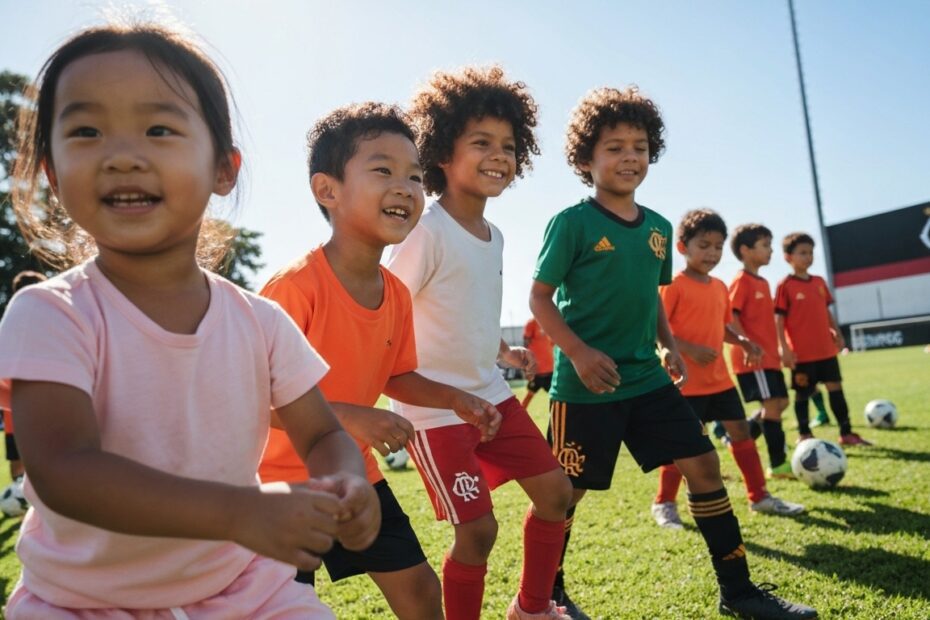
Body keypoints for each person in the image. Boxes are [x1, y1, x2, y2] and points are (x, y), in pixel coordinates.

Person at [0, 23, 380, 618]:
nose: (122, 156)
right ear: (51, 171)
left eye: (158, 129)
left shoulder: (261, 322)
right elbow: (62, 470)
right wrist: (238, 512)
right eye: (86, 131)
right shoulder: (51, 314)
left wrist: (348, 483)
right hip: (78, 601)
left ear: (223, 169)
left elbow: (323, 433)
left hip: (243, 592)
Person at [530, 85, 817, 619]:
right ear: (586, 158)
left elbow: (651, 298)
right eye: (614, 147)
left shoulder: (660, 229)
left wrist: (667, 344)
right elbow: (540, 298)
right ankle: (547, 595)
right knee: (564, 497)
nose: (629, 156)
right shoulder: (571, 223)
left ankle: (739, 593)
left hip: (646, 377)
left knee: (704, 466)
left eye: (639, 145)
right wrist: (578, 351)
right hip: (585, 386)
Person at [259, 102, 502, 620]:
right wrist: (350, 418)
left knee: (418, 591)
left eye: (414, 176)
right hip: (275, 484)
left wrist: (456, 399)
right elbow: (256, 400)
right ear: (328, 190)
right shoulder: (292, 289)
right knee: (273, 609)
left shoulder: (395, 292)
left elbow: (397, 374)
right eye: (383, 170)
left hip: (356, 473)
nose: (405, 187)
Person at [387, 66, 573, 620]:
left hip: (491, 394)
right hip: (433, 411)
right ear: (442, 151)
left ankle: (531, 609)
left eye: (509, 146)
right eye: (482, 143)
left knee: (556, 495)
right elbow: (390, 316)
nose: (500, 155)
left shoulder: (495, 236)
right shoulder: (424, 231)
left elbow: (463, 311)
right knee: (478, 531)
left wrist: (501, 352)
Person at [650, 210, 804, 530]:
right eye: (704, 245)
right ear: (682, 248)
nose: (712, 253)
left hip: (720, 381)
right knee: (683, 447)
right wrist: (688, 350)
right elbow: (654, 328)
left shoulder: (720, 286)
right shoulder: (672, 285)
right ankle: (664, 504)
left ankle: (759, 496)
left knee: (742, 432)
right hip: (685, 384)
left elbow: (722, 328)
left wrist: (744, 342)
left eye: (718, 247)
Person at [775, 233, 871, 446]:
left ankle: (846, 433)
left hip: (826, 350)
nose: (808, 257)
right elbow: (779, 320)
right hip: (802, 353)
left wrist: (836, 331)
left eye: (810, 252)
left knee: (836, 388)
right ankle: (804, 433)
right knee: (803, 394)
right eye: (802, 253)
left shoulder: (819, 282)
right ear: (788, 257)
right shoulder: (785, 285)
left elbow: (826, 311)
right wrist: (784, 348)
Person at [727, 224, 793, 477]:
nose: (770, 251)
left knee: (781, 402)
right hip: (754, 359)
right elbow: (731, 317)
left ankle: (740, 435)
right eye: (765, 246)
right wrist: (746, 343)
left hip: (770, 358)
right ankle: (777, 463)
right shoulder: (741, 281)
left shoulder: (764, 282)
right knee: (773, 406)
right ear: (745, 250)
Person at [1, 271, 47, 518]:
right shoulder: (18, 322)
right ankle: (24, 494)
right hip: (25, 410)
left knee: (23, 457)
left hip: (21, 409)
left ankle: (26, 493)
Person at [522, 317, 554, 409]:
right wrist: (525, 367)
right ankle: (520, 415)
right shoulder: (532, 323)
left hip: (550, 371)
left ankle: (553, 417)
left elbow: (553, 344)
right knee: (529, 396)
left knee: (556, 397)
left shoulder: (551, 324)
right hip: (537, 371)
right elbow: (525, 345)